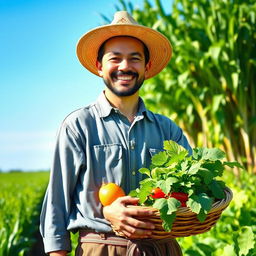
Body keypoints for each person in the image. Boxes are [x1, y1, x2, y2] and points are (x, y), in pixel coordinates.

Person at [40, 11, 192, 256]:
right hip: (100, 247)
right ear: (100, 66)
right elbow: (57, 205)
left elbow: (191, 192)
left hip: (161, 248)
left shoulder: (168, 130)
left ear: (147, 66)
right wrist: (106, 214)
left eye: (134, 59)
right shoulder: (78, 125)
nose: (125, 67)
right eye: (115, 58)